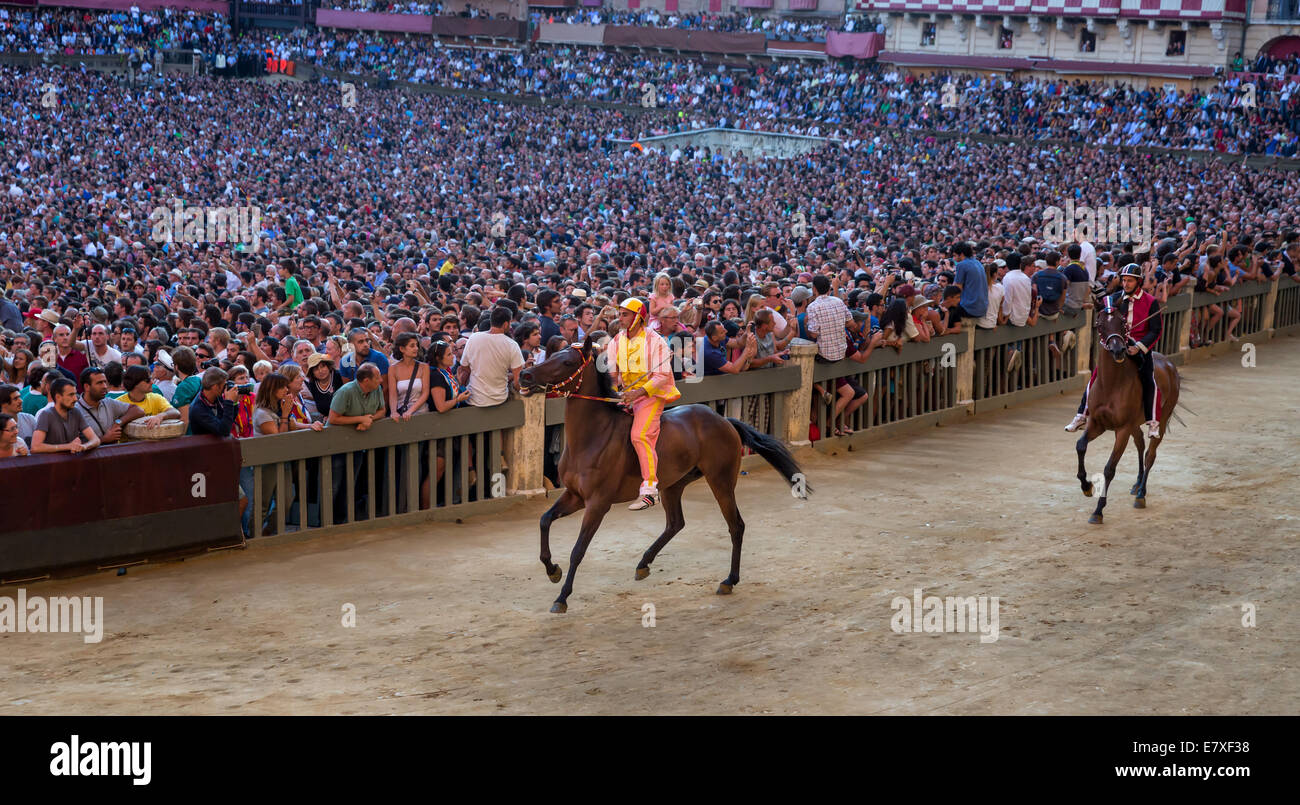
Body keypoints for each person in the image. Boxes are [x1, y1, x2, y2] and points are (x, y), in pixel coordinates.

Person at [1065, 264, 1164, 438]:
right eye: (1124, 280)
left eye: (1130, 281)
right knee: (1095, 377)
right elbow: (1105, 318)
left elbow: (1155, 331)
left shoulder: (1151, 301)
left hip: (1138, 346)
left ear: (1138, 282)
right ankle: (1081, 415)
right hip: (1117, 343)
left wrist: (1138, 347)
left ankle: (1153, 421)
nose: (1126, 284)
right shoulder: (1115, 299)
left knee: (1149, 379)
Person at [604, 298, 681, 510]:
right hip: (627, 395)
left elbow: (662, 376)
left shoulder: (656, 341)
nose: (620, 319)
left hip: (651, 395)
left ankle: (649, 490)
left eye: (625, 314)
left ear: (638, 317)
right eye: (619, 314)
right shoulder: (615, 342)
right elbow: (612, 374)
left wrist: (636, 392)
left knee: (640, 435)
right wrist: (617, 391)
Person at [458, 306, 524, 407]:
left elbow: (464, 366)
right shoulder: (511, 345)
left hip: (474, 398)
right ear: (506, 324)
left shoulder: (474, 338)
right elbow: (518, 379)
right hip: (500, 399)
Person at [31, 377, 102, 454]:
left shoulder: (76, 412)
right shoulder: (46, 415)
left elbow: (96, 440)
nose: (75, 399)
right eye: (71, 395)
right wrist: (68, 446)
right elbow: (35, 447)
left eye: (75, 394)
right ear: (58, 397)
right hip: (53, 464)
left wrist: (84, 446)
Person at [76, 367, 144, 445]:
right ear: (86, 387)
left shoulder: (108, 402)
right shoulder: (75, 410)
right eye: (99, 383)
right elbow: (75, 446)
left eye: (105, 382)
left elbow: (139, 410)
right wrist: (104, 439)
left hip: (112, 455)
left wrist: (118, 423)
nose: (105, 386)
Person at [116, 364, 183, 428]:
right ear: (134, 382)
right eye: (147, 380)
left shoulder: (156, 398)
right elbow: (114, 423)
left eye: (151, 378)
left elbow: (176, 412)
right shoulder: (118, 402)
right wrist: (120, 421)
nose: (152, 382)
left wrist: (160, 416)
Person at [388, 332, 430, 421]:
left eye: (416, 345)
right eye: (412, 346)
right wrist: (393, 412)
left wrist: (410, 411)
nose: (416, 348)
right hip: (402, 415)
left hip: (421, 414)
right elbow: (393, 394)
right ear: (402, 349)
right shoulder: (393, 369)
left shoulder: (424, 367)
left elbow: (425, 393)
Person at [189, 367, 240, 437]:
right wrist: (229, 402)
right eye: (224, 385)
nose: (225, 388)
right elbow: (224, 431)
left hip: (217, 444)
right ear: (215, 387)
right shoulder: (198, 409)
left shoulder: (216, 397)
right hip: (205, 446)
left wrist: (235, 403)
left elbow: (229, 420)